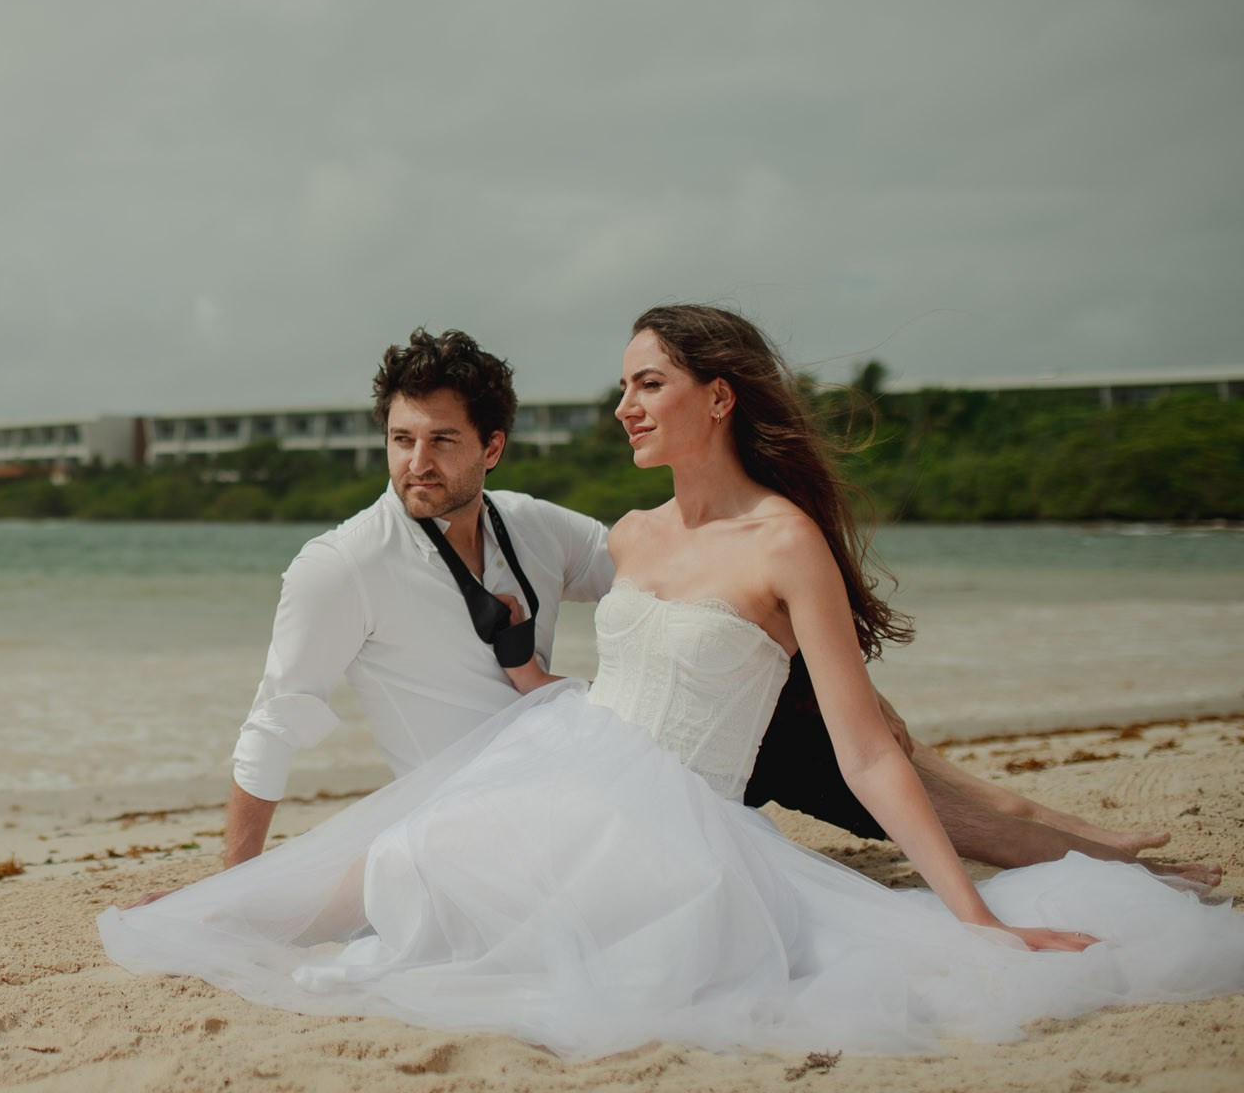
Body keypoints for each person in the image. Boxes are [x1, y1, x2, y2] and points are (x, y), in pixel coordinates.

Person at [100, 308, 1244, 1057]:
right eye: (622, 387)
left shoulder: (770, 541)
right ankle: (214, 908)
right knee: (388, 870)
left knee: (946, 805)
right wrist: (528, 669)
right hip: (565, 761)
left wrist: (972, 917)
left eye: (648, 385)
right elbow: (294, 717)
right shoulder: (625, 534)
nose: (625, 407)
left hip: (683, 809)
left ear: (719, 395)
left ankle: (1109, 861)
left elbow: (867, 752)